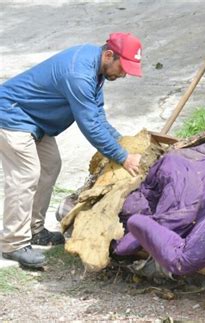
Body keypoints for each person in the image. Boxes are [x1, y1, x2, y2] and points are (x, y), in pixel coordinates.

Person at [0, 32, 143, 269]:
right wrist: (123, 157)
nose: (125, 73)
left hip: (34, 121)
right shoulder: (79, 74)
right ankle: (13, 243)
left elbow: (98, 117)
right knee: (26, 174)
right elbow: (89, 125)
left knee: (51, 165)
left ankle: (34, 229)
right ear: (109, 55)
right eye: (123, 66)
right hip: (12, 114)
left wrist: (122, 142)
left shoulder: (97, 70)